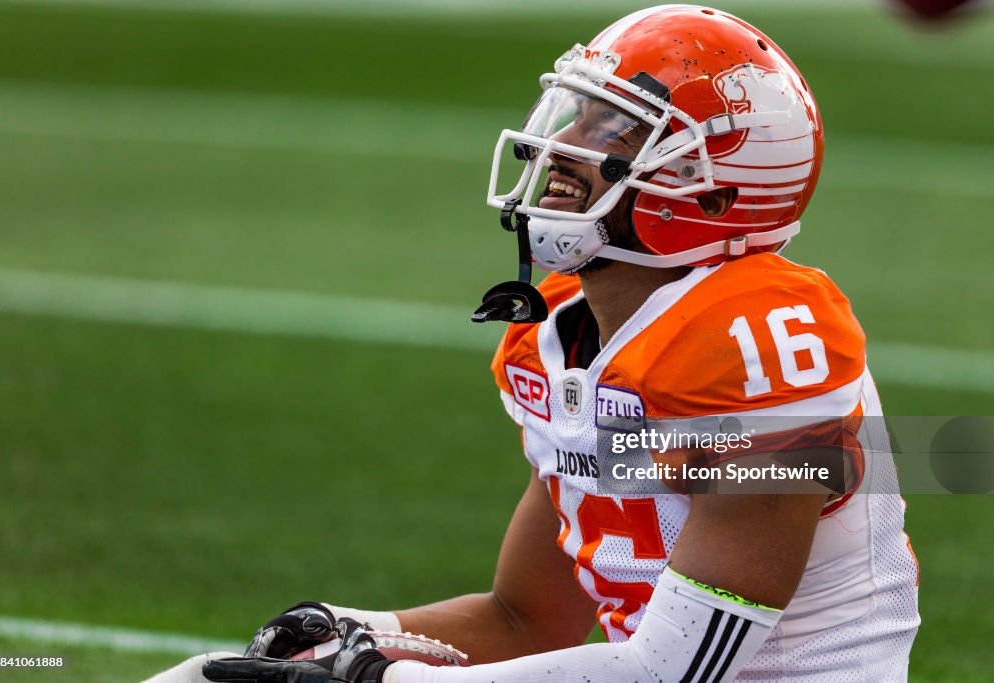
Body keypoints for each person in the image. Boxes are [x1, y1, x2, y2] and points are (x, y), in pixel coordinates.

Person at [145, 5, 920, 683]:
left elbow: (672, 670)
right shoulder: (560, 337)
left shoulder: (755, 344)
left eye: (612, 128)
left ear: (707, 188)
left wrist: (384, 676)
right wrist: (350, 628)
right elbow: (525, 618)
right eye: (578, 114)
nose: (565, 145)